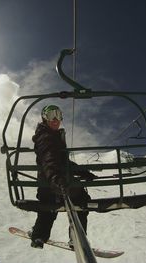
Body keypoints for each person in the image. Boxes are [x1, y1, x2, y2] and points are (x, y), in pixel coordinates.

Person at [30, 104, 96, 249]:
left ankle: (39, 235)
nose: (55, 119)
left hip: (48, 185)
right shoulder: (46, 138)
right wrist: (55, 179)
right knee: (81, 202)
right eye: (51, 115)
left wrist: (83, 172)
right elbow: (49, 160)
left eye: (58, 115)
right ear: (44, 118)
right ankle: (76, 238)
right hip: (55, 183)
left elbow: (64, 162)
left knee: (48, 208)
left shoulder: (50, 136)